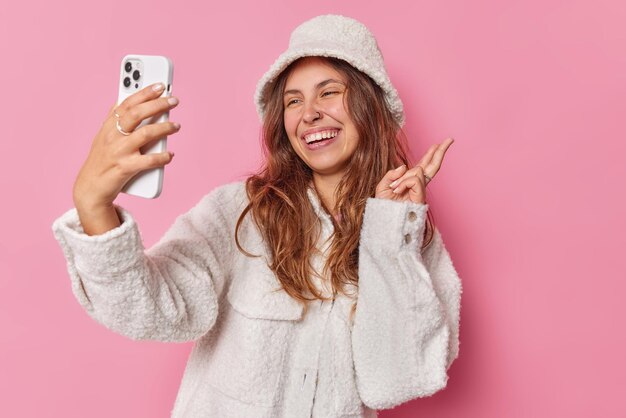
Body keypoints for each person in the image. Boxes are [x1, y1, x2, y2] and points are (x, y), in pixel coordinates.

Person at [52, 14, 462, 418]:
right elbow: (152, 309)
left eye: (328, 92)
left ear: (370, 105)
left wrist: (390, 232)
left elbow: (394, 380)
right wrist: (95, 208)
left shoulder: (410, 235)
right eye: (293, 101)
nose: (310, 113)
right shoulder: (238, 213)